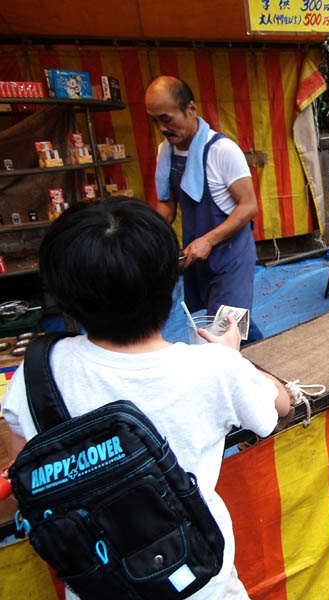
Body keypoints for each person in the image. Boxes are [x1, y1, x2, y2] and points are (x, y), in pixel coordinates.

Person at [1, 198, 291, 600]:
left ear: (63, 292)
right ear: (171, 286)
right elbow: (280, 406)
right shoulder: (213, 368)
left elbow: (23, 472)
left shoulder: (36, 372)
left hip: (98, 586)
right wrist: (230, 358)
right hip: (200, 582)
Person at [145, 76, 262, 340]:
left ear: (191, 109)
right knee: (208, 326)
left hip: (230, 257)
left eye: (166, 118)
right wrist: (148, 239)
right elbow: (166, 205)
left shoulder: (222, 150)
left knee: (224, 331)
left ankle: (255, 369)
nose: (162, 127)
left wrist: (208, 241)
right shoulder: (166, 152)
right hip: (195, 257)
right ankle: (261, 351)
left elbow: (249, 206)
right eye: (155, 121)